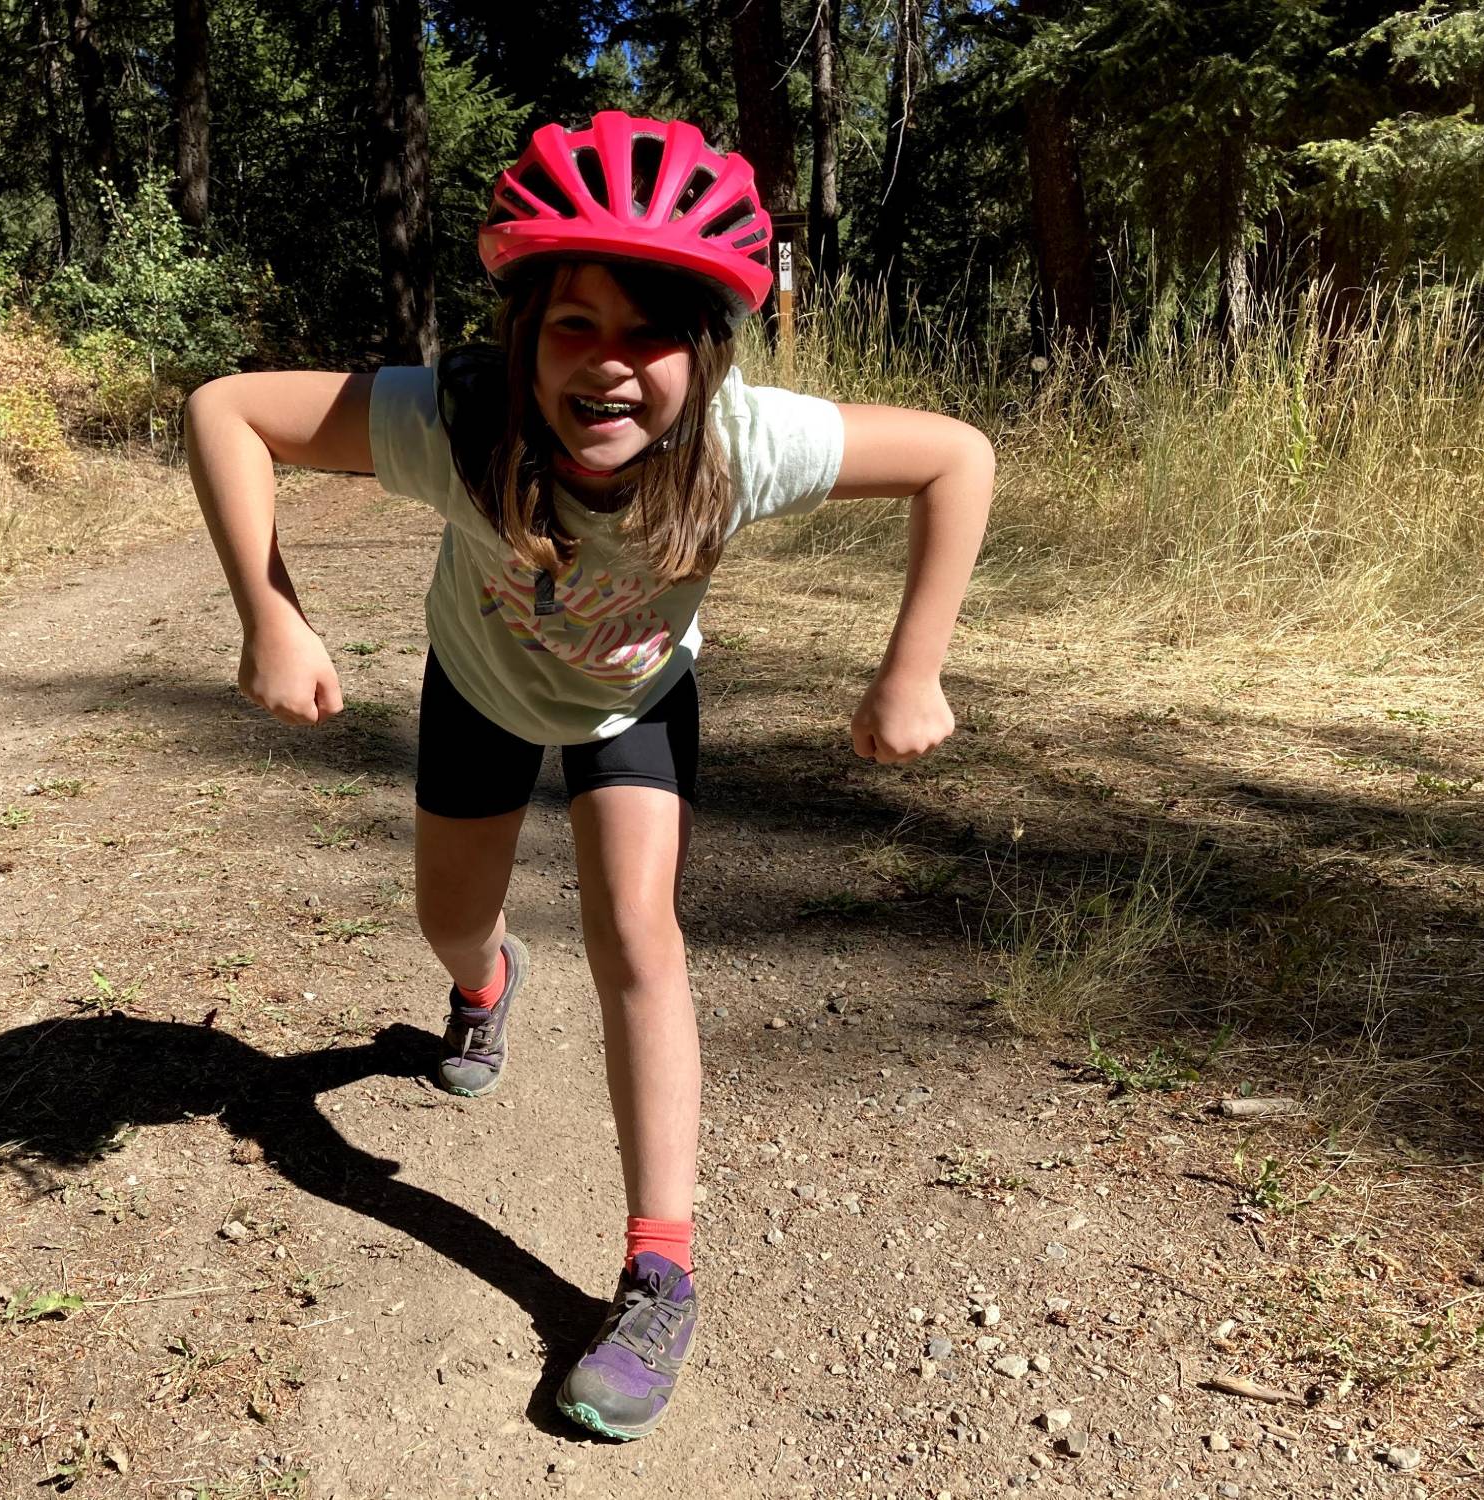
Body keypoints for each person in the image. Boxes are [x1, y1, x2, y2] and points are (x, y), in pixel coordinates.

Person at [184, 111, 993, 1442]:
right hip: (482, 686)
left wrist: (913, 671)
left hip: (635, 703)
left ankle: (659, 1273)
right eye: (575, 324)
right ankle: (484, 986)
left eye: (652, 331)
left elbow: (955, 457)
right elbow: (228, 412)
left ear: (708, 353)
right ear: (524, 334)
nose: (610, 361)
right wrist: (271, 615)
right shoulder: (457, 418)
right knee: (449, 918)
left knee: (638, 937)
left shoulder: (743, 443)